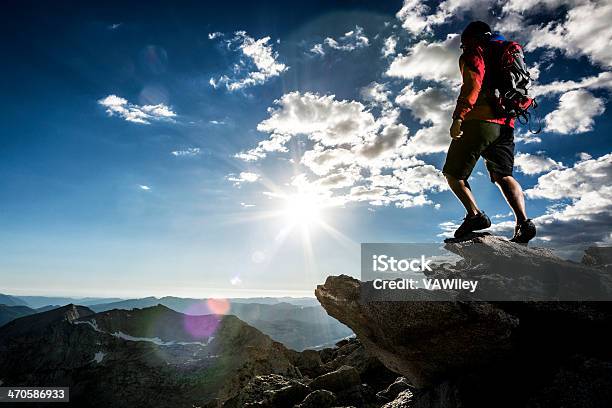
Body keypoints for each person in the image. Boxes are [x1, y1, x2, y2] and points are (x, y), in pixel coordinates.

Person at [442, 21, 536, 243]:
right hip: (506, 123)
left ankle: (475, 216)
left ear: (470, 40)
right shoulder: (505, 50)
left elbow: (473, 83)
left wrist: (459, 117)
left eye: (463, 44)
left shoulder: (476, 51)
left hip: (480, 120)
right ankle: (524, 222)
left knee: (453, 174)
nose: (463, 48)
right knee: (504, 175)